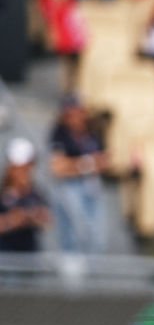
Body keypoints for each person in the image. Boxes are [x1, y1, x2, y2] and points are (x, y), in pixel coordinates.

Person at [46, 96, 107, 254]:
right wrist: (87, 164)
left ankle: (94, 267)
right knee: (74, 233)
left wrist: (74, 165)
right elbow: (58, 168)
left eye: (80, 112)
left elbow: (103, 162)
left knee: (96, 235)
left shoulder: (92, 133)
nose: (77, 117)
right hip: (69, 187)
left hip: (92, 186)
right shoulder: (59, 134)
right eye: (72, 113)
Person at [0, 142, 51, 254]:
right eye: (19, 169)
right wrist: (12, 220)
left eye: (26, 168)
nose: (23, 173)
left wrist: (32, 217)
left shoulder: (35, 195)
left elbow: (47, 221)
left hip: (29, 258)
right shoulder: (2, 193)